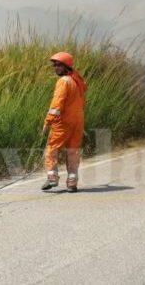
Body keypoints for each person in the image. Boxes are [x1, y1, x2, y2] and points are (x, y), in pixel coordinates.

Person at [41, 52, 87, 192]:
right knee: (73, 151)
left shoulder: (63, 81)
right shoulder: (77, 81)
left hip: (63, 123)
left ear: (66, 66)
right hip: (77, 122)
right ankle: (72, 182)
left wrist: (48, 122)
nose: (55, 67)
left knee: (52, 149)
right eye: (54, 65)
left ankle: (52, 178)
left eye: (58, 65)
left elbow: (56, 104)